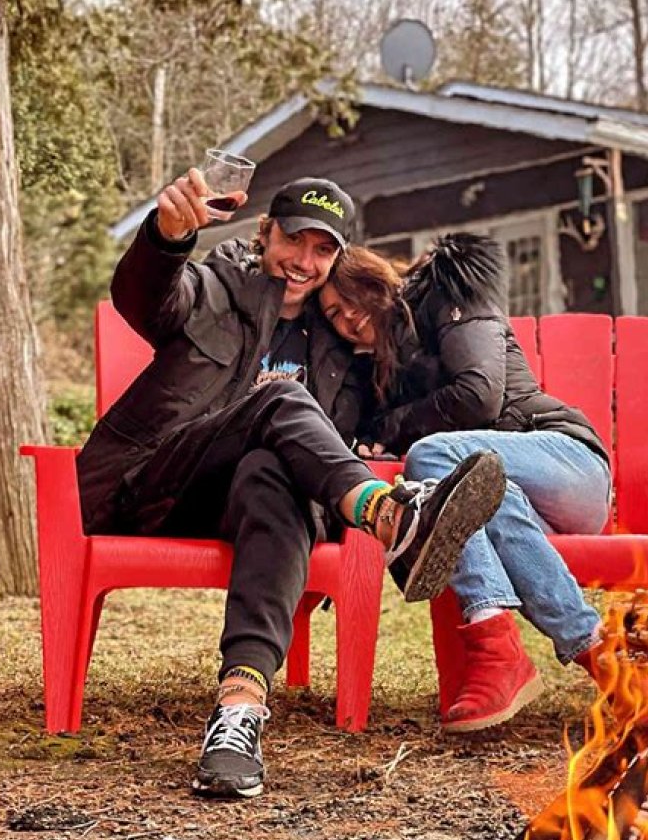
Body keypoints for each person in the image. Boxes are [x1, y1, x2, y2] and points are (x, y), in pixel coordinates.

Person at [76, 172, 507, 799]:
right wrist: (167, 238)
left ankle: (239, 711)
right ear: (265, 232)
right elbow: (146, 299)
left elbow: (403, 387)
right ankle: (388, 517)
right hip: (148, 483)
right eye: (293, 240)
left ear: (338, 258)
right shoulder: (217, 286)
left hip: (243, 505)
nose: (304, 261)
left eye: (322, 249)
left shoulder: (339, 347)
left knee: (271, 473)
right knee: (281, 399)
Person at [321, 239, 613, 733]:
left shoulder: (448, 293)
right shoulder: (379, 374)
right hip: (512, 496)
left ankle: (493, 643)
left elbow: (479, 394)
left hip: (567, 461)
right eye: (332, 314)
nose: (347, 316)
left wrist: (391, 428)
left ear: (374, 279)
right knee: (468, 502)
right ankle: (602, 658)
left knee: (431, 457)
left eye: (350, 297)